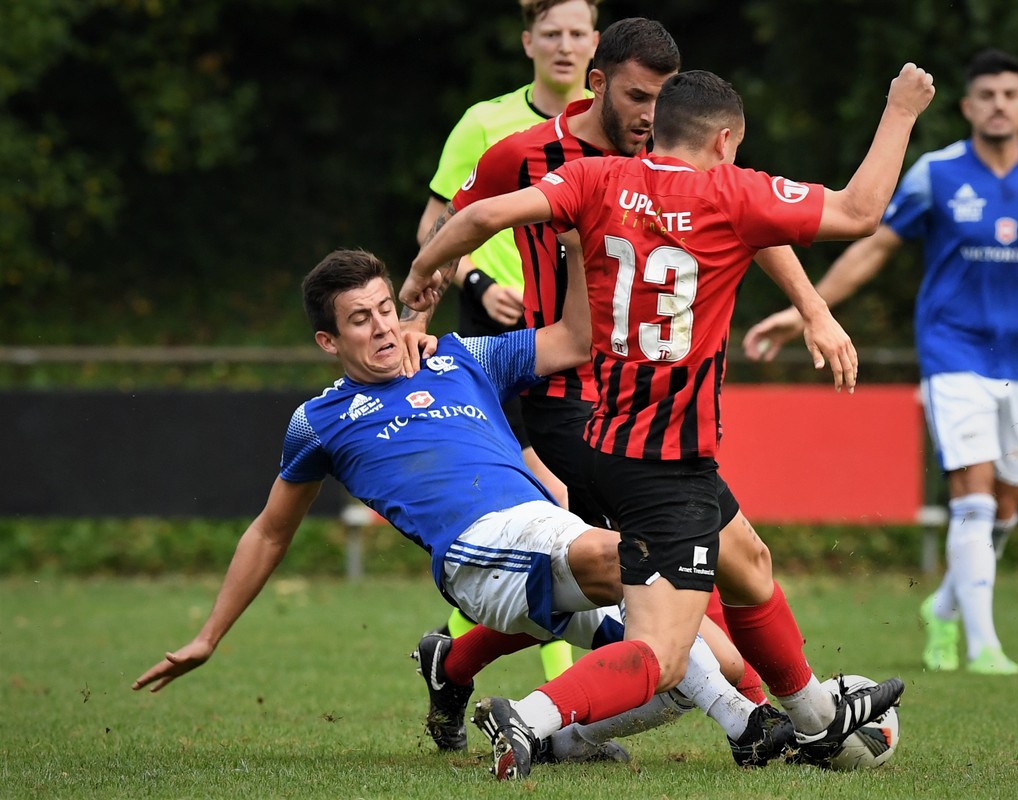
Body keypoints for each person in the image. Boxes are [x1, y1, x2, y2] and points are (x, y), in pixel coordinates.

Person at [402, 64, 936, 779]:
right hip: (665, 466)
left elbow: (476, 218)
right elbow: (860, 211)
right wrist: (901, 110)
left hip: (603, 440)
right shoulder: (730, 193)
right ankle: (530, 719)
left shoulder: (597, 178)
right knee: (663, 654)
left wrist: (422, 276)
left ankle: (813, 717)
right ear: (724, 142)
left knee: (749, 566)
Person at [131, 248, 795, 773]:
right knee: (631, 556)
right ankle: (753, 724)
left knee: (698, 664)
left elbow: (574, 339)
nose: (382, 327)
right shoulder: (319, 421)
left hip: (549, 536)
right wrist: (208, 636)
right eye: (360, 320)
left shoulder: (458, 357)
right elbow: (269, 533)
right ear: (328, 341)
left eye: (385, 308)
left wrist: (574, 242)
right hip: (476, 554)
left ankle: (533, 719)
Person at [740, 48, 1018, 676]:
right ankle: (984, 646)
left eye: (1010, 94)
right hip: (953, 354)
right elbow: (872, 249)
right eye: (986, 95)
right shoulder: (936, 173)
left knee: (1004, 508)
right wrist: (807, 310)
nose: (998, 105)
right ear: (967, 107)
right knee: (973, 494)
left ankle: (944, 607)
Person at [407, 16, 774, 712]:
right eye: (639, 97)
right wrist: (419, 314)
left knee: (613, 573)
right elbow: (455, 220)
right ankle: (758, 714)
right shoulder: (518, 149)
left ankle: (454, 662)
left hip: (648, 397)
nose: (653, 114)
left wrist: (814, 308)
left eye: (663, 98)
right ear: (598, 83)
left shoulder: (669, 155)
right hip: (564, 391)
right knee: (680, 569)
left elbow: (751, 215)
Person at [415, 0, 602, 684]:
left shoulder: (623, 124)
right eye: (550, 33)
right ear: (528, 42)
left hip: (583, 340)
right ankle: (558, 693)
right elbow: (437, 225)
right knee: (544, 505)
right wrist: (474, 281)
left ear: (596, 43)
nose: (563, 45)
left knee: (570, 516)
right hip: (498, 340)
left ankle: (453, 655)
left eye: (576, 32)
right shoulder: (485, 124)